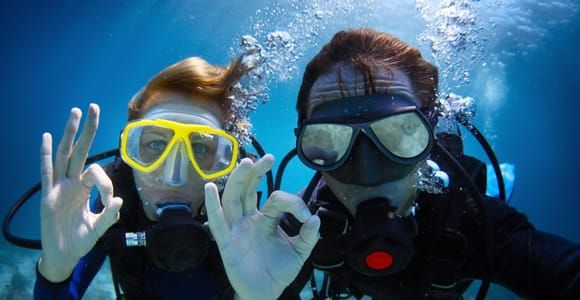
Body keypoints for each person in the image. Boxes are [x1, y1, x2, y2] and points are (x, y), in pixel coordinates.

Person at [282, 28, 580, 299]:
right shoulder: (298, 224)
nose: (367, 174)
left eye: (399, 133)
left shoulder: (470, 218)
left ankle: (494, 181)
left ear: (430, 134)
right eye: (329, 138)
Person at [35, 56, 320, 299]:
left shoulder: (244, 219)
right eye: (156, 145)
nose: (174, 177)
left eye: (200, 148)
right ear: (129, 153)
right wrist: (55, 270)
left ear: (227, 164)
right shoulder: (114, 205)